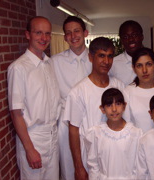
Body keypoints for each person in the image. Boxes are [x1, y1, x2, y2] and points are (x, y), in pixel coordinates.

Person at [63, 37, 125, 180]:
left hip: (116, 156)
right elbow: (73, 130)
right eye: (101, 56)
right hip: (90, 158)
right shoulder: (79, 91)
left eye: (110, 56)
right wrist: (78, 167)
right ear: (91, 57)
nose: (106, 61)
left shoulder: (120, 86)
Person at [7, 16, 61, 180]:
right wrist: (30, 149)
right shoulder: (18, 68)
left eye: (47, 33)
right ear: (28, 35)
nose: (44, 38)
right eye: (38, 33)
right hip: (33, 138)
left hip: (53, 136)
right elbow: (16, 114)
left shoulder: (49, 63)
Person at [50, 16, 92, 180]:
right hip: (66, 122)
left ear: (85, 33)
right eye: (68, 33)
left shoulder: (96, 59)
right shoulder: (55, 62)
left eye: (76, 31)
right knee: (68, 168)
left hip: (92, 119)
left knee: (93, 164)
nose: (73, 36)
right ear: (65, 37)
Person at [84, 88, 142, 179]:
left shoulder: (136, 134)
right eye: (109, 105)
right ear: (102, 109)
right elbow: (93, 166)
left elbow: (139, 167)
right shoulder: (96, 134)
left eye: (118, 104)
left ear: (124, 106)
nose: (114, 109)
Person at [109, 20, 154, 85]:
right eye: (125, 37)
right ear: (121, 40)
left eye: (134, 35)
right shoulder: (113, 64)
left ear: (142, 36)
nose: (131, 39)